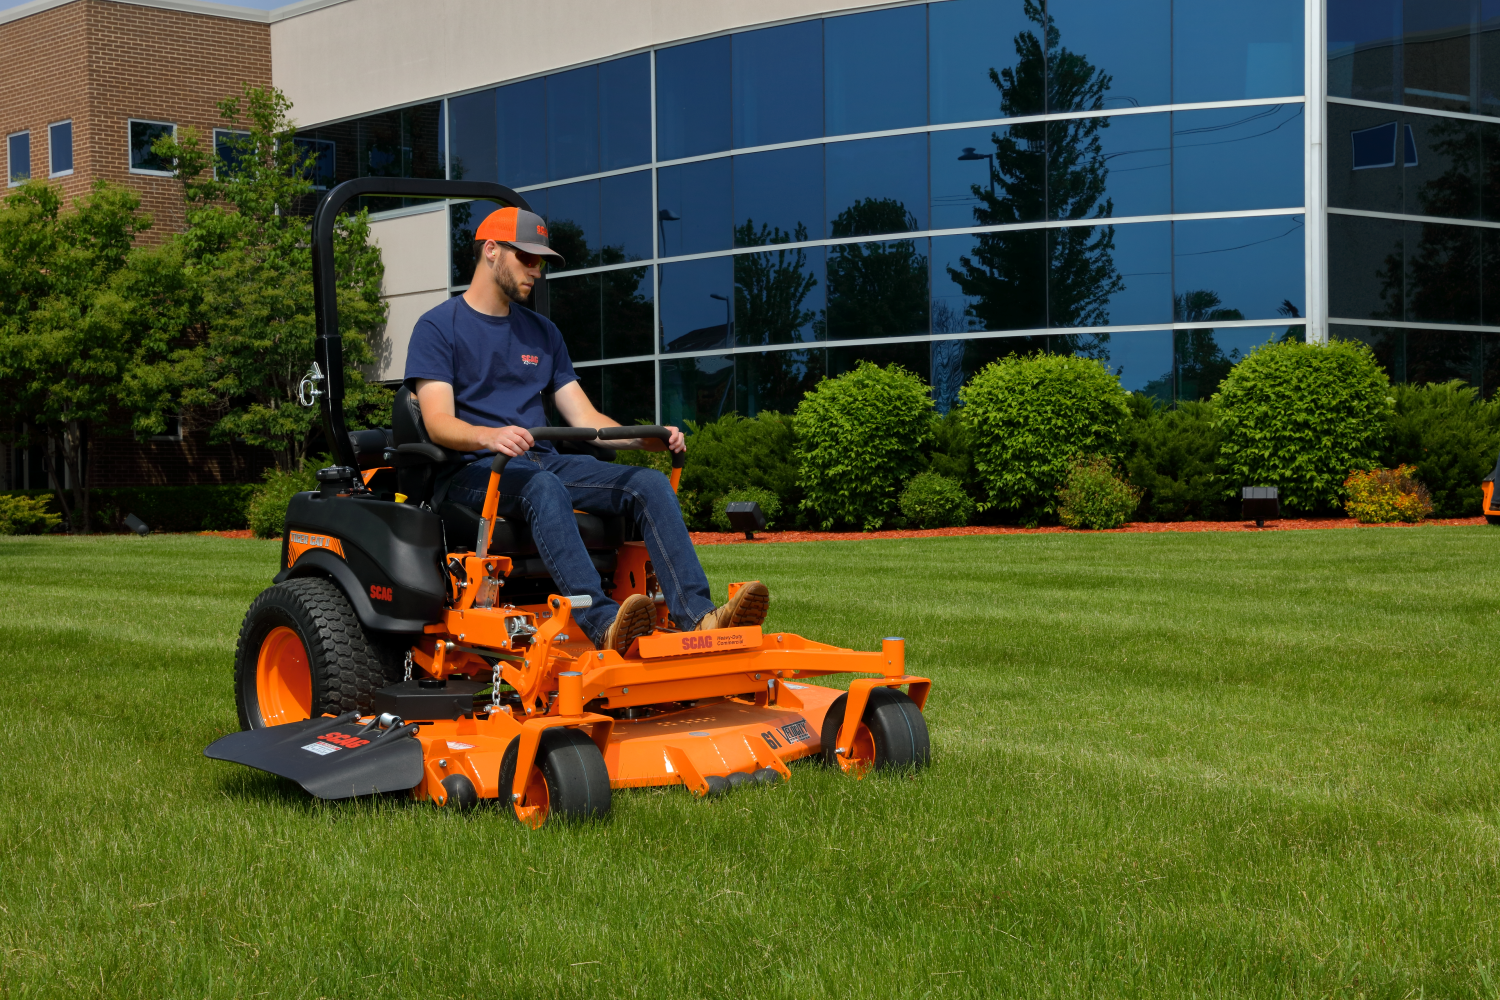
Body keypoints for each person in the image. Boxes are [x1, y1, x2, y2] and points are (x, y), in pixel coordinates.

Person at [403, 206, 768, 653]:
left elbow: (586, 419)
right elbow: (438, 422)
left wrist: (644, 438)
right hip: (473, 470)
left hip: (539, 462)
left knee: (648, 484)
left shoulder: (544, 333)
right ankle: (603, 622)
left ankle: (697, 617)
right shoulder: (439, 327)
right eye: (527, 258)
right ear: (492, 251)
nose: (536, 271)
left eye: (541, 262)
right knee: (543, 486)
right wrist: (489, 436)